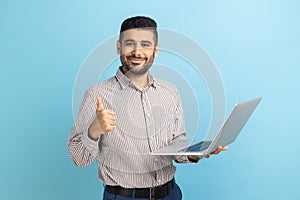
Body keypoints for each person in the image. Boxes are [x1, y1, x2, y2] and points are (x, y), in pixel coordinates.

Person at [68, 16, 227, 200]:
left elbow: (177, 145)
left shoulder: (170, 92)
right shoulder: (97, 95)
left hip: (171, 194)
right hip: (125, 197)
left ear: (155, 50)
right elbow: (78, 158)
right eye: (130, 44)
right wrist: (94, 131)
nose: (137, 52)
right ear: (118, 47)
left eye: (145, 44)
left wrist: (197, 153)